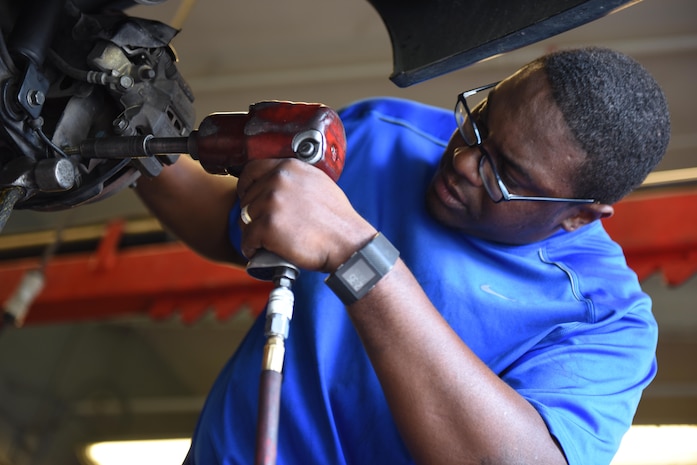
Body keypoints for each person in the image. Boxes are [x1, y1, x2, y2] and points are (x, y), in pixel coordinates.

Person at [135, 46, 670, 465]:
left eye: (504, 173)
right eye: (478, 123)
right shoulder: (382, 135)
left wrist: (359, 256)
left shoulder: (606, 325)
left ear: (580, 215)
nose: (463, 162)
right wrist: (129, 139)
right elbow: (231, 222)